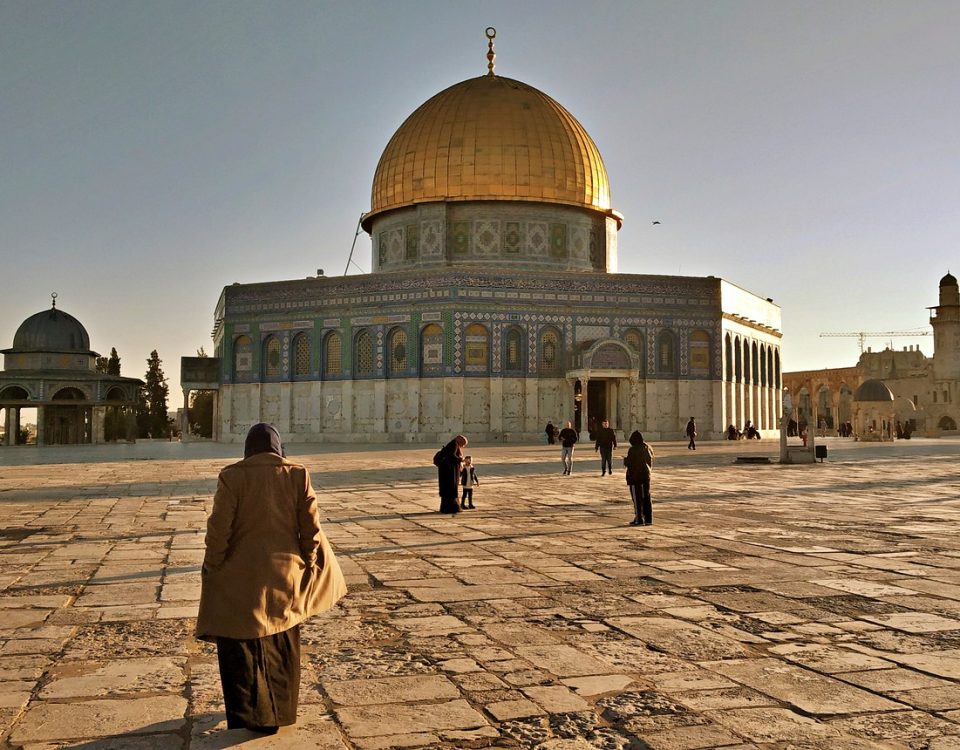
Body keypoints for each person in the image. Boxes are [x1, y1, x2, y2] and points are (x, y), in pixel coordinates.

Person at [197, 423, 347, 734]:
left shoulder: (233, 476)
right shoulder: (297, 474)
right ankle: (280, 711)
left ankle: (253, 715)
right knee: (282, 644)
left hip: (241, 577)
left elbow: (219, 530)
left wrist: (213, 566)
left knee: (242, 644)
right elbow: (311, 529)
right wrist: (307, 561)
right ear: (278, 447)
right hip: (284, 575)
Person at [624, 430, 654, 526]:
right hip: (646, 476)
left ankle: (639, 518)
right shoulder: (647, 448)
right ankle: (648, 518)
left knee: (637, 498)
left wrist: (625, 461)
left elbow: (630, 463)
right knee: (646, 497)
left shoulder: (633, 449)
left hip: (635, 477)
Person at [435, 434, 467, 513]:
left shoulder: (453, 444)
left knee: (448, 491)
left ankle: (447, 508)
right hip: (449, 473)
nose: (463, 446)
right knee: (450, 490)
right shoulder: (453, 445)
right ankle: (452, 508)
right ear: (459, 440)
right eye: (463, 444)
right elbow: (451, 456)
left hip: (447, 471)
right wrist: (461, 459)